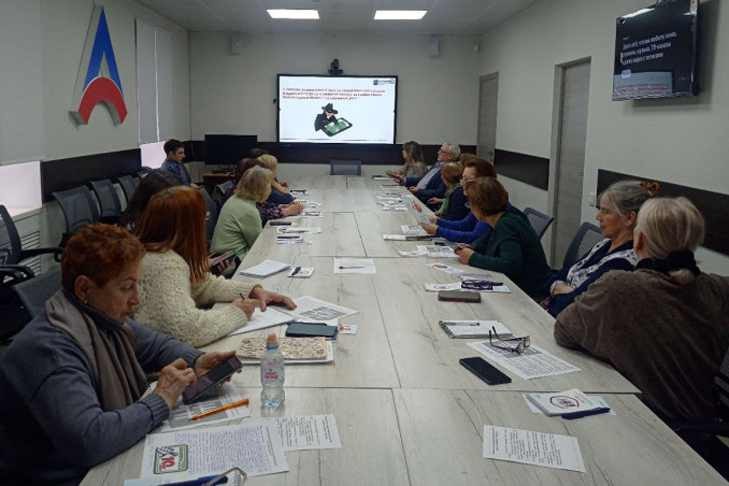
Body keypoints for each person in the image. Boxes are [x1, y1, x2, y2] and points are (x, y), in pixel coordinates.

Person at [0, 224, 239, 485]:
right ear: (84, 288)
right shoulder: (50, 351)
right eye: (126, 287)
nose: (136, 299)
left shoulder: (98, 315)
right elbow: (91, 439)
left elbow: (156, 344)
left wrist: (197, 359)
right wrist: (161, 399)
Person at [554, 197, 729, 423]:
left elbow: (563, 330)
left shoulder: (619, 285)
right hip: (701, 420)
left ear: (639, 240)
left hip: (642, 420)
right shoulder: (719, 288)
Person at [134, 186, 296, 347]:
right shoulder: (163, 264)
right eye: (203, 218)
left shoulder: (163, 254)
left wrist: (252, 291)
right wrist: (237, 313)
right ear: (189, 226)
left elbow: (202, 286)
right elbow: (187, 330)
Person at [544, 180, 658, 316]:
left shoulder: (623, 263)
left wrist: (561, 290)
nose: (598, 217)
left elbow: (573, 306)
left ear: (629, 218)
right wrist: (562, 289)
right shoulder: (605, 243)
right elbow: (564, 273)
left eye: (605, 211)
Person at [455, 177, 552, 299]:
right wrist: (472, 248)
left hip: (527, 292)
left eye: (470, 204)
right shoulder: (502, 217)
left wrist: (473, 258)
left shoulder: (507, 224)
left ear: (480, 206)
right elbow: (487, 244)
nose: (470, 208)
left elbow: (510, 265)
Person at [419, 157, 497, 243]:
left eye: (467, 179)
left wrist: (438, 230)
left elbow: (475, 237)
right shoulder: (478, 200)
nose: (462, 183)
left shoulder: (490, 204)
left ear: (484, 181)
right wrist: (437, 221)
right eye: (462, 178)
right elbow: (465, 225)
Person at [212, 166, 271, 258]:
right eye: (269, 185)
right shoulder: (249, 210)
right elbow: (258, 246)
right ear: (261, 188)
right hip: (232, 259)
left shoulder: (234, 198)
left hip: (222, 255)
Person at [235, 158, 303, 223]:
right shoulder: (245, 202)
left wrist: (280, 207)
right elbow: (260, 213)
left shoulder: (245, 194)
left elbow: (264, 206)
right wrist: (287, 211)